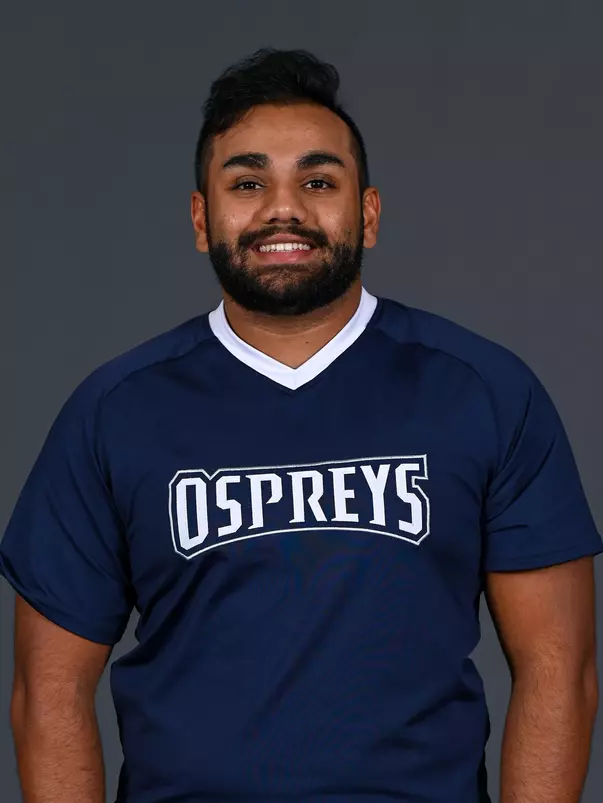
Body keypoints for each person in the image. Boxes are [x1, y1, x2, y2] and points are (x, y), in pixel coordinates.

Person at [1, 48, 600, 803]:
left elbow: (559, 670)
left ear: (368, 213)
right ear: (199, 219)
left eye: (317, 182)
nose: (282, 209)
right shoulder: (114, 410)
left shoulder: (483, 391)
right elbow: (46, 695)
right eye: (246, 183)